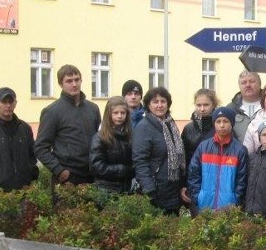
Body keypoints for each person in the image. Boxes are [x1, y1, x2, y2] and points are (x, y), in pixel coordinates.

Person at [34, 65, 101, 186]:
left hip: (92, 176)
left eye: (77, 79)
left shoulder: (93, 109)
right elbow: (40, 147)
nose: (74, 84)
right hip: (67, 178)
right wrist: (59, 170)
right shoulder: (52, 111)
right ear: (61, 84)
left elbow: (98, 140)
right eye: (69, 81)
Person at [132, 86, 186, 214]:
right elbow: (140, 161)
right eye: (155, 102)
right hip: (155, 191)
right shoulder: (144, 127)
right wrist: (149, 190)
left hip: (173, 190)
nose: (160, 105)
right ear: (148, 105)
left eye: (163, 101)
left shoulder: (171, 125)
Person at [186, 107, 248, 213]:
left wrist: (235, 200)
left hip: (228, 207)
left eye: (226, 121)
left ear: (232, 123)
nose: (222, 125)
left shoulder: (240, 150)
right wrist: (197, 197)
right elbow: (193, 174)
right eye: (218, 121)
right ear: (214, 124)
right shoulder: (203, 147)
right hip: (204, 205)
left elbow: (242, 180)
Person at [89, 96, 134, 194]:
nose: (119, 116)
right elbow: (96, 166)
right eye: (115, 113)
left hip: (127, 188)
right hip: (106, 189)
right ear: (109, 114)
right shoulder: (100, 137)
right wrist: (121, 170)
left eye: (123, 113)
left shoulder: (130, 136)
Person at [181, 88, 218, 167]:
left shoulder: (221, 126)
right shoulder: (188, 128)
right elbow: (184, 156)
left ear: (213, 105)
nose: (202, 109)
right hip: (193, 174)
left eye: (206, 105)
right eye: (198, 105)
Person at [225, 70, 262, 142]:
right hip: (238, 152)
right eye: (244, 82)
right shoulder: (230, 109)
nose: (248, 85)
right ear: (239, 86)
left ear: (260, 84)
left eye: (252, 81)